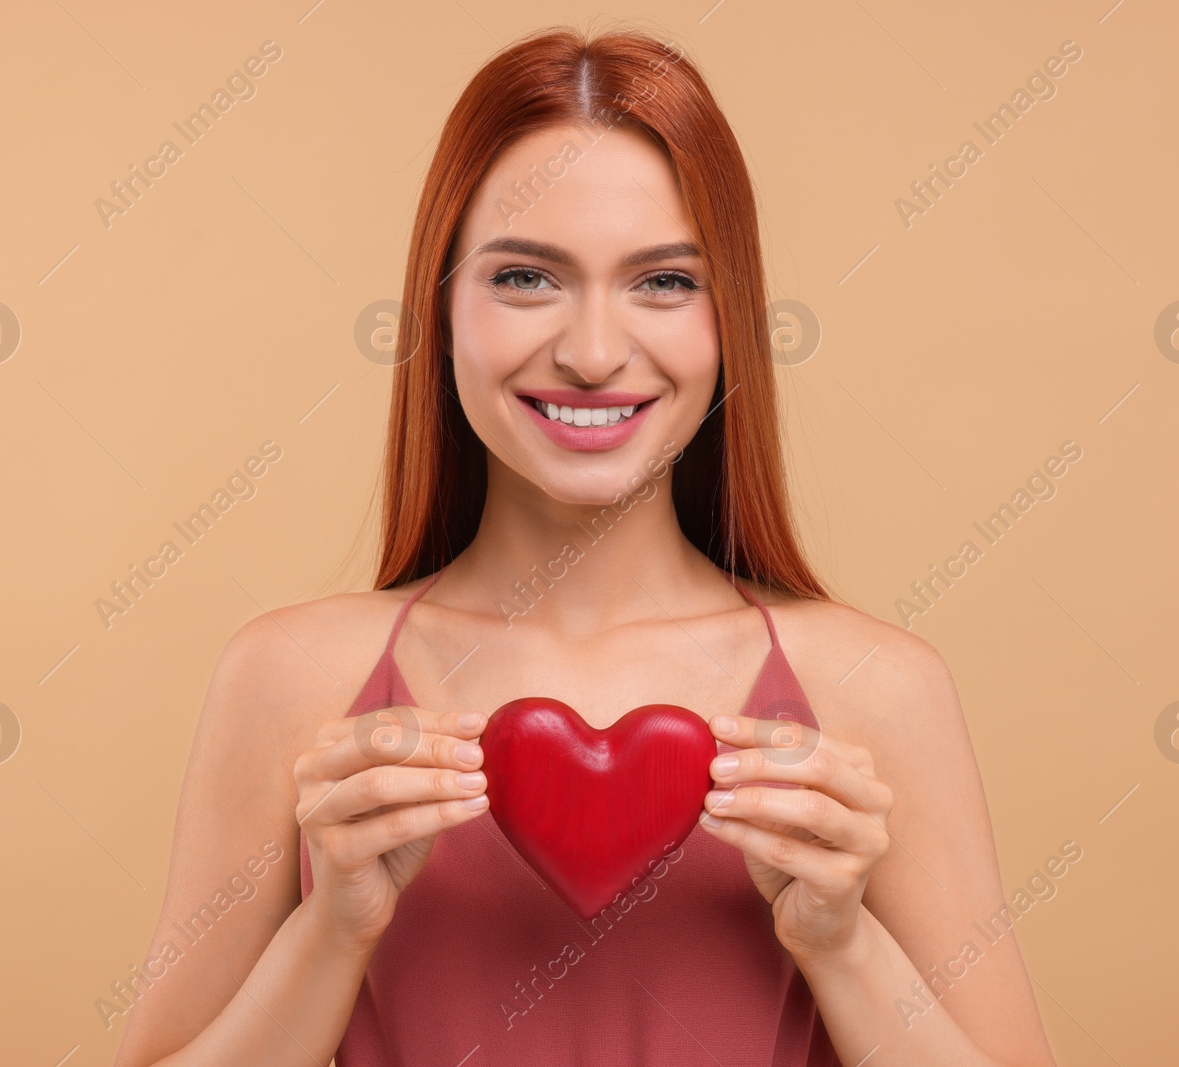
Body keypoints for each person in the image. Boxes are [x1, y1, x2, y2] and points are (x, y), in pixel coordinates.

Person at [113, 24, 1058, 1067]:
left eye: (663, 282)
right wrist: (332, 927)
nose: (596, 352)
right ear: (441, 308)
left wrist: (841, 943)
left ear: (729, 318)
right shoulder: (289, 680)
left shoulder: (878, 689)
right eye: (525, 278)